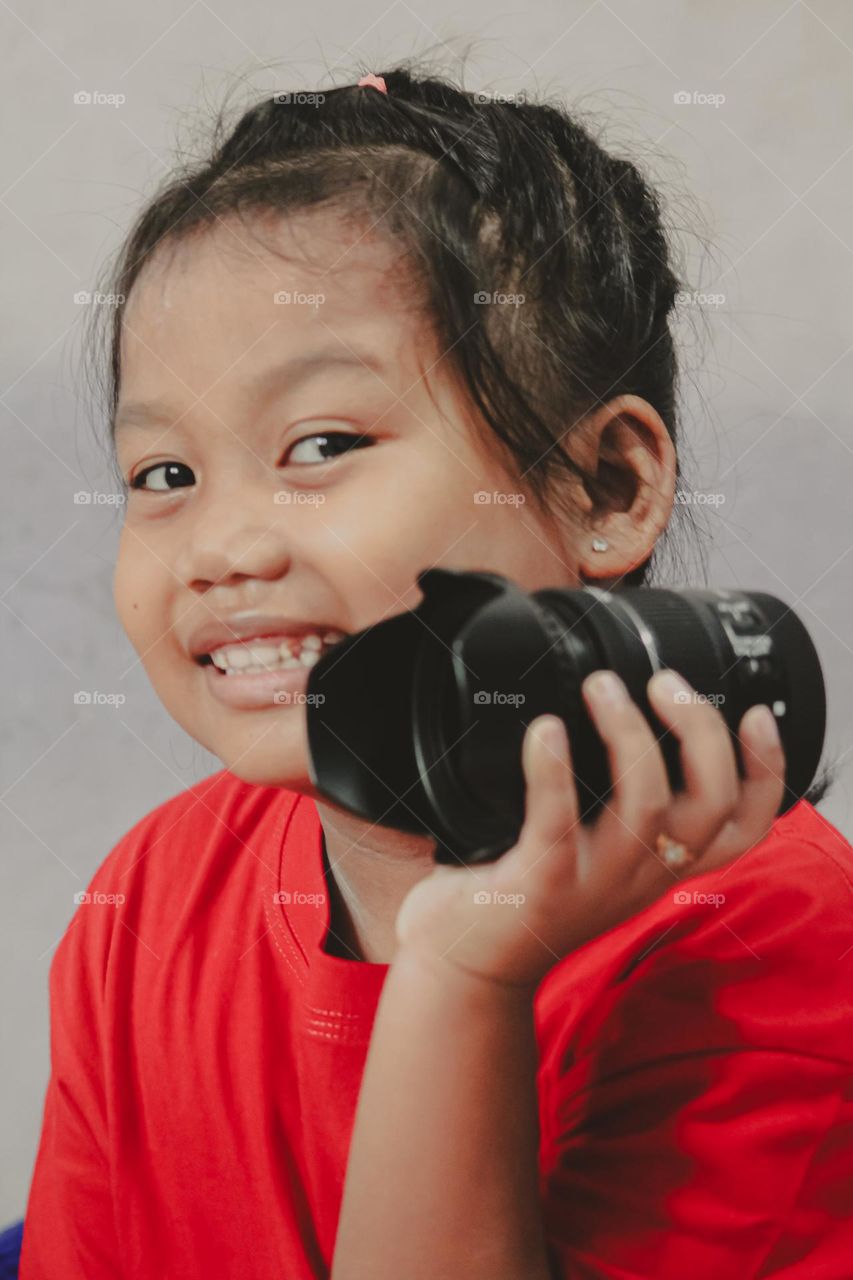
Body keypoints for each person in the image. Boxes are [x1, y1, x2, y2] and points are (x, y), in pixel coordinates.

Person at [19, 62, 853, 1279]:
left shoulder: (755, 933)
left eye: (321, 444)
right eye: (163, 475)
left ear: (606, 487)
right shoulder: (148, 894)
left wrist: (464, 974)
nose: (218, 547)